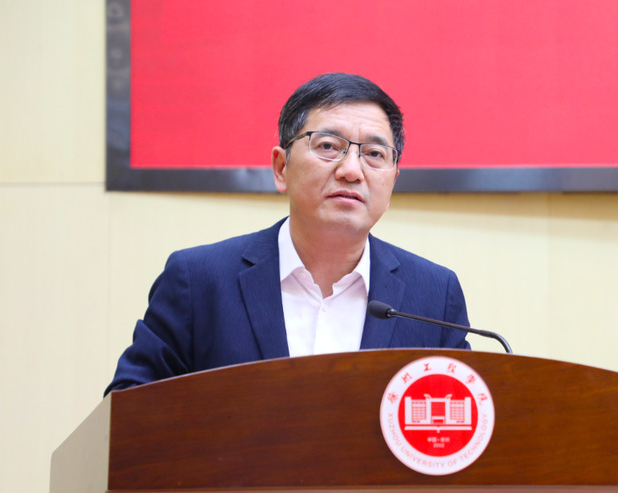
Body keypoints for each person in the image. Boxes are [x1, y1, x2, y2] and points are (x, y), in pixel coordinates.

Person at [105, 73, 470, 395]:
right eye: (328, 146)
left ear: (392, 181)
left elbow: (465, 423)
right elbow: (128, 412)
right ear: (281, 168)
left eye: (374, 154)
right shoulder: (199, 281)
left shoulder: (433, 296)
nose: (351, 170)